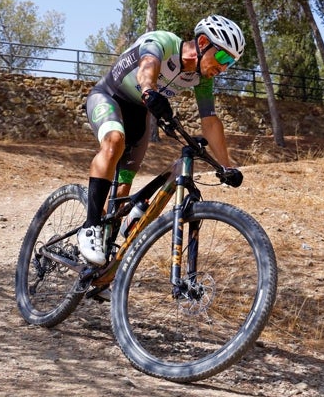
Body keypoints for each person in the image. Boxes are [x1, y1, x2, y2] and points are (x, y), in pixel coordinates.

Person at [78, 14, 245, 266]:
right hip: (109, 97)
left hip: (139, 114)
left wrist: (226, 166)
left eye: (230, 62)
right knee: (114, 141)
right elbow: (147, 67)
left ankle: (100, 271)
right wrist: (148, 90)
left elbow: (209, 120)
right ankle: (89, 229)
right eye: (222, 57)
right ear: (202, 42)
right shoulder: (165, 43)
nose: (223, 67)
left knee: (122, 194)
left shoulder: (202, 78)